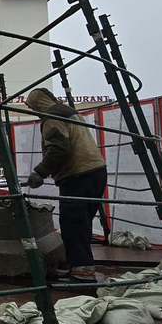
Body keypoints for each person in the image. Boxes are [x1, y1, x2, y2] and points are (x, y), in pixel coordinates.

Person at [25, 88, 108, 282]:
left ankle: (82, 272)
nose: (34, 112)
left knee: (73, 223)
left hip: (77, 175)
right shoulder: (70, 111)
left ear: (37, 104)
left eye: (32, 107)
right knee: (82, 222)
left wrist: (40, 172)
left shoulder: (52, 117)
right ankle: (80, 267)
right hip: (95, 171)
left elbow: (59, 148)